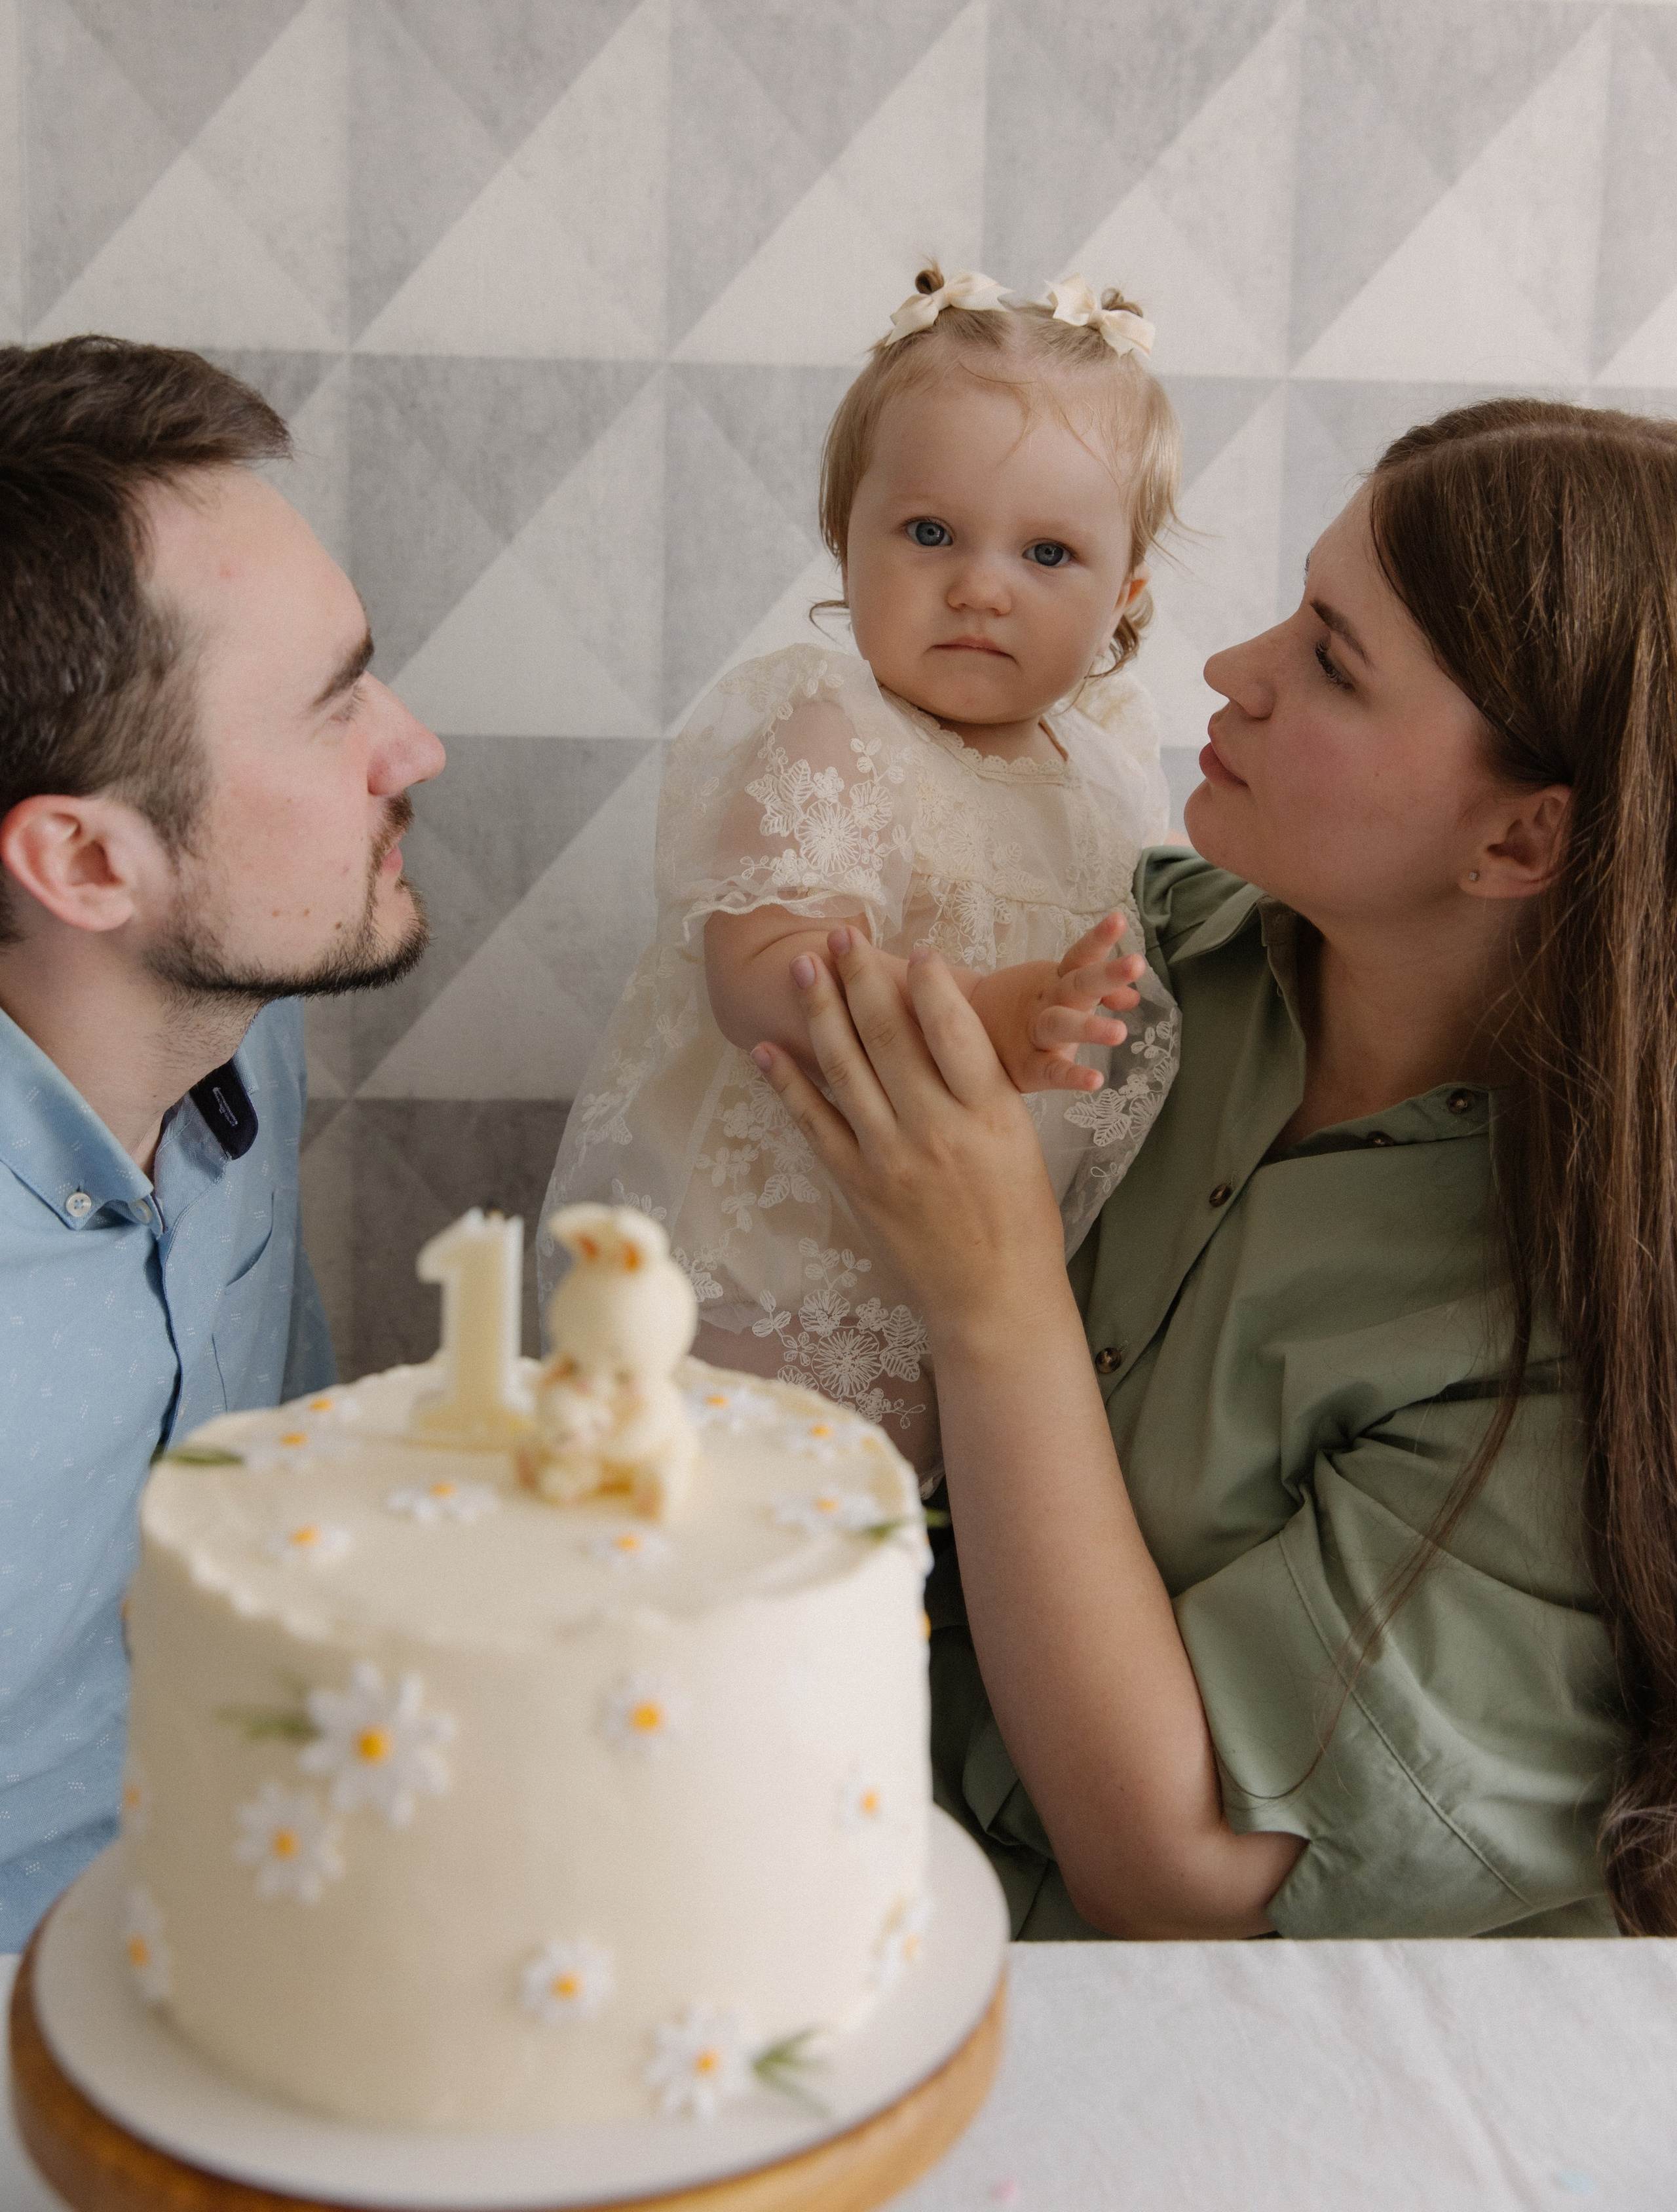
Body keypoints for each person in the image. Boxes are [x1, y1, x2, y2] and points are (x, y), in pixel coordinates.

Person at [748, 398, 1677, 1939]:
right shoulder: (1140, 953)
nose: (1227, 671)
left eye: (1327, 655)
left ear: (1519, 843)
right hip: (824, 1851)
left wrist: (993, 1300)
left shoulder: (1584, 1331)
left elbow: (1183, 1880)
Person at [544, 265, 1180, 1487]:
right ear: (847, 536)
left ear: (1125, 595)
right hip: (784, 1281)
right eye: (930, 533)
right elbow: (763, 975)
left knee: (903, 1599)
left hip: (986, 1293)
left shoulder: (1109, 772)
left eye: (1050, 552)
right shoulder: (833, 728)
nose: (982, 586)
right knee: (750, 1548)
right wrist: (985, 1013)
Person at [0, 336, 445, 1946]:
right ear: (87, 864)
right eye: (332, 713)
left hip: (276, 1910)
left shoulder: (240, 1004)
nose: (415, 751)